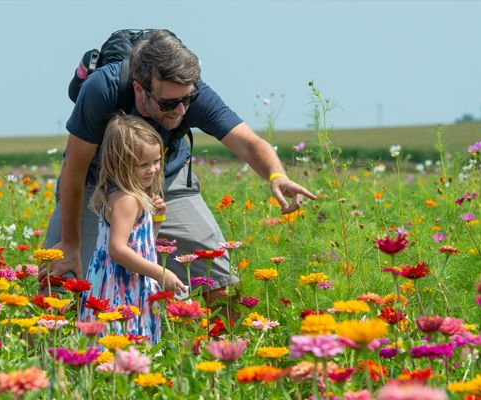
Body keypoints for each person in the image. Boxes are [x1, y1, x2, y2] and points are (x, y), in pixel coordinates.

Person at [40, 30, 315, 304]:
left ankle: (219, 347)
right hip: (96, 184)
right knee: (59, 283)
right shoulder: (103, 88)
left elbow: (249, 142)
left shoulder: (189, 94)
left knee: (216, 280)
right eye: (169, 103)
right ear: (139, 88)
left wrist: (276, 175)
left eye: (187, 99)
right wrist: (71, 244)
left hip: (165, 180)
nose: (181, 110)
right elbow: (74, 169)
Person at [78, 114, 186, 343]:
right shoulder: (127, 199)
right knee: (125, 349)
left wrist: (157, 219)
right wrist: (161, 273)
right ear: (121, 164)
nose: (153, 169)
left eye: (157, 161)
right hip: (122, 289)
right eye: (143, 164)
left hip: (119, 282)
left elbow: (140, 245)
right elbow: (117, 249)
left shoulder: (124, 194)